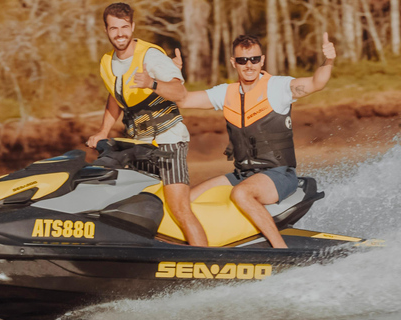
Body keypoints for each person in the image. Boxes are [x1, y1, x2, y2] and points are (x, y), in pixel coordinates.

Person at [174, 33, 336, 248]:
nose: (249, 65)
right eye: (242, 60)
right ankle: (202, 248)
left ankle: (280, 250)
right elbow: (183, 99)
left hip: (278, 173)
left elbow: (317, 83)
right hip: (243, 173)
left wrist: (329, 60)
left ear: (263, 60)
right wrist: (173, 75)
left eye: (254, 59)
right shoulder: (225, 93)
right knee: (186, 199)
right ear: (234, 62)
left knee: (241, 193)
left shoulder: (278, 87)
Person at [86, 3, 208, 246]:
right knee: (136, 206)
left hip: (168, 141)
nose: (119, 33)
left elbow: (179, 90)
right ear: (106, 30)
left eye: (124, 27)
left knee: (178, 209)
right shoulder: (106, 62)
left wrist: (152, 83)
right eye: (114, 28)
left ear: (132, 26)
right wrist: (102, 131)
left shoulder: (150, 56)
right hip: (138, 143)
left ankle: (206, 264)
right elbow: (114, 98)